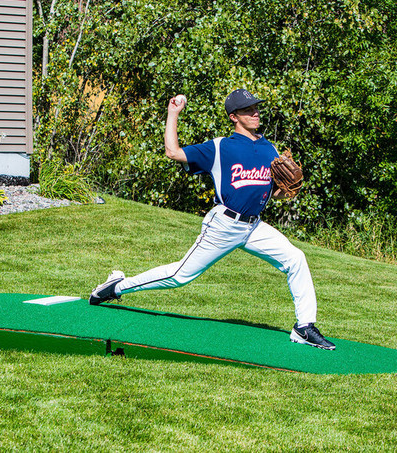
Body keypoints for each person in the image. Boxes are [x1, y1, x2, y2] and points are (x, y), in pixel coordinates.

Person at [89, 89, 335, 350]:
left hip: (254, 227)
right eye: (247, 110)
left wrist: (285, 191)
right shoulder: (220, 147)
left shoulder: (269, 148)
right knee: (178, 276)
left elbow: (270, 190)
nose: (255, 112)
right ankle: (116, 287)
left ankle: (304, 327)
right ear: (233, 117)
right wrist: (173, 113)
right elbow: (173, 152)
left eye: (256, 108)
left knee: (295, 258)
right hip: (224, 225)